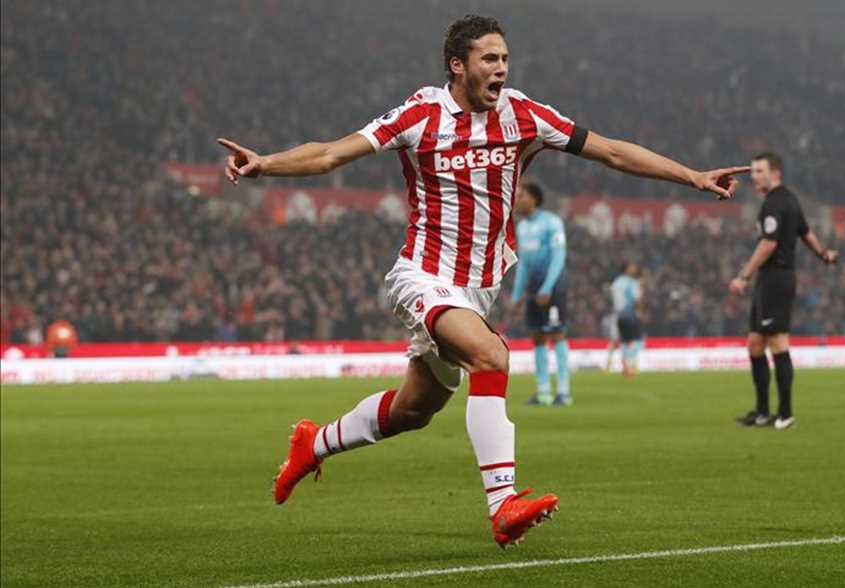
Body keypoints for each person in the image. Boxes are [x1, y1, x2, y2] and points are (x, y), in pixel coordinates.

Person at [218, 14, 749, 548]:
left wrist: (692, 176)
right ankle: (503, 505)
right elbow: (333, 152)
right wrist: (266, 164)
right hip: (423, 275)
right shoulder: (422, 114)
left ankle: (313, 445)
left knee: (413, 410)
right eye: (489, 59)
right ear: (458, 65)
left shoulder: (523, 115)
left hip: (477, 290)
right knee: (491, 357)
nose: (501, 68)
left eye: (505, 58)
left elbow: (610, 150)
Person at [729, 152, 838, 430]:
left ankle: (785, 414)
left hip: (777, 278)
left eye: (759, 171)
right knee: (755, 343)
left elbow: (769, 244)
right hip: (769, 279)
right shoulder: (788, 199)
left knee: (777, 341)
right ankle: (763, 412)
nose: (754, 177)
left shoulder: (775, 203)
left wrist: (743, 276)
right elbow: (805, 232)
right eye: (753, 172)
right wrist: (824, 254)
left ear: (775, 172)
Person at [510, 182, 572, 406]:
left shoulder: (552, 222)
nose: (517, 200)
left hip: (553, 286)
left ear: (534, 198)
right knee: (537, 336)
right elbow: (524, 264)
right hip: (533, 288)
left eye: (521, 196)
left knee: (556, 334)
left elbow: (559, 255)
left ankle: (563, 392)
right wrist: (517, 294)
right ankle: (543, 391)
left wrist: (547, 287)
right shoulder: (522, 227)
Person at [610, 262, 644, 376]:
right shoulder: (631, 282)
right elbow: (636, 298)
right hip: (630, 314)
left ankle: (625, 367)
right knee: (638, 340)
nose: (634, 269)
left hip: (619, 316)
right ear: (627, 269)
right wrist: (640, 312)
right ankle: (628, 363)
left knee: (625, 341)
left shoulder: (616, 282)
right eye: (632, 267)